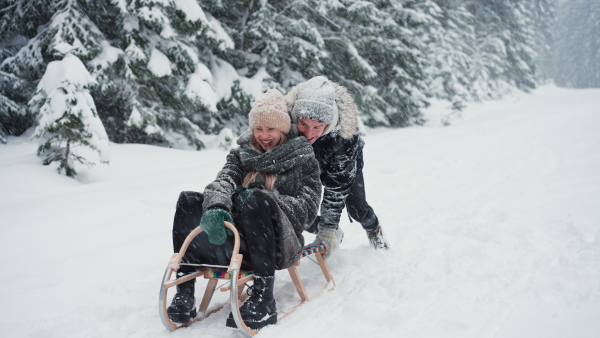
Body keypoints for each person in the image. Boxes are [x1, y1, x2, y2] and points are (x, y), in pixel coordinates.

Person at [167, 89, 322, 331]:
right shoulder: (241, 156)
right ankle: (184, 292)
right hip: (238, 243)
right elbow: (223, 181)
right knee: (189, 200)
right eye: (258, 129)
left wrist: (263, 200)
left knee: (256, 201)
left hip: (277, 244)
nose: (264, 135)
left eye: (270, 129)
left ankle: (264, 299)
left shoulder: (304, 160)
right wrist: (217, 206)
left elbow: (308, 209)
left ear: (282, 129)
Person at [285, 76, 389, 258]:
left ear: (329, 123)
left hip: (341, 167)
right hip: (306, 166)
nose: (309, 133)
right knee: (290, 207)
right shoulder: (287, 124)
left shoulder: (343, 139)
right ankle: (327, 229)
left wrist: (328, 228)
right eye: (303, 124)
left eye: (317, 127)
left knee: (357, 208)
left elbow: (336, 190)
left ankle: (374, 229)